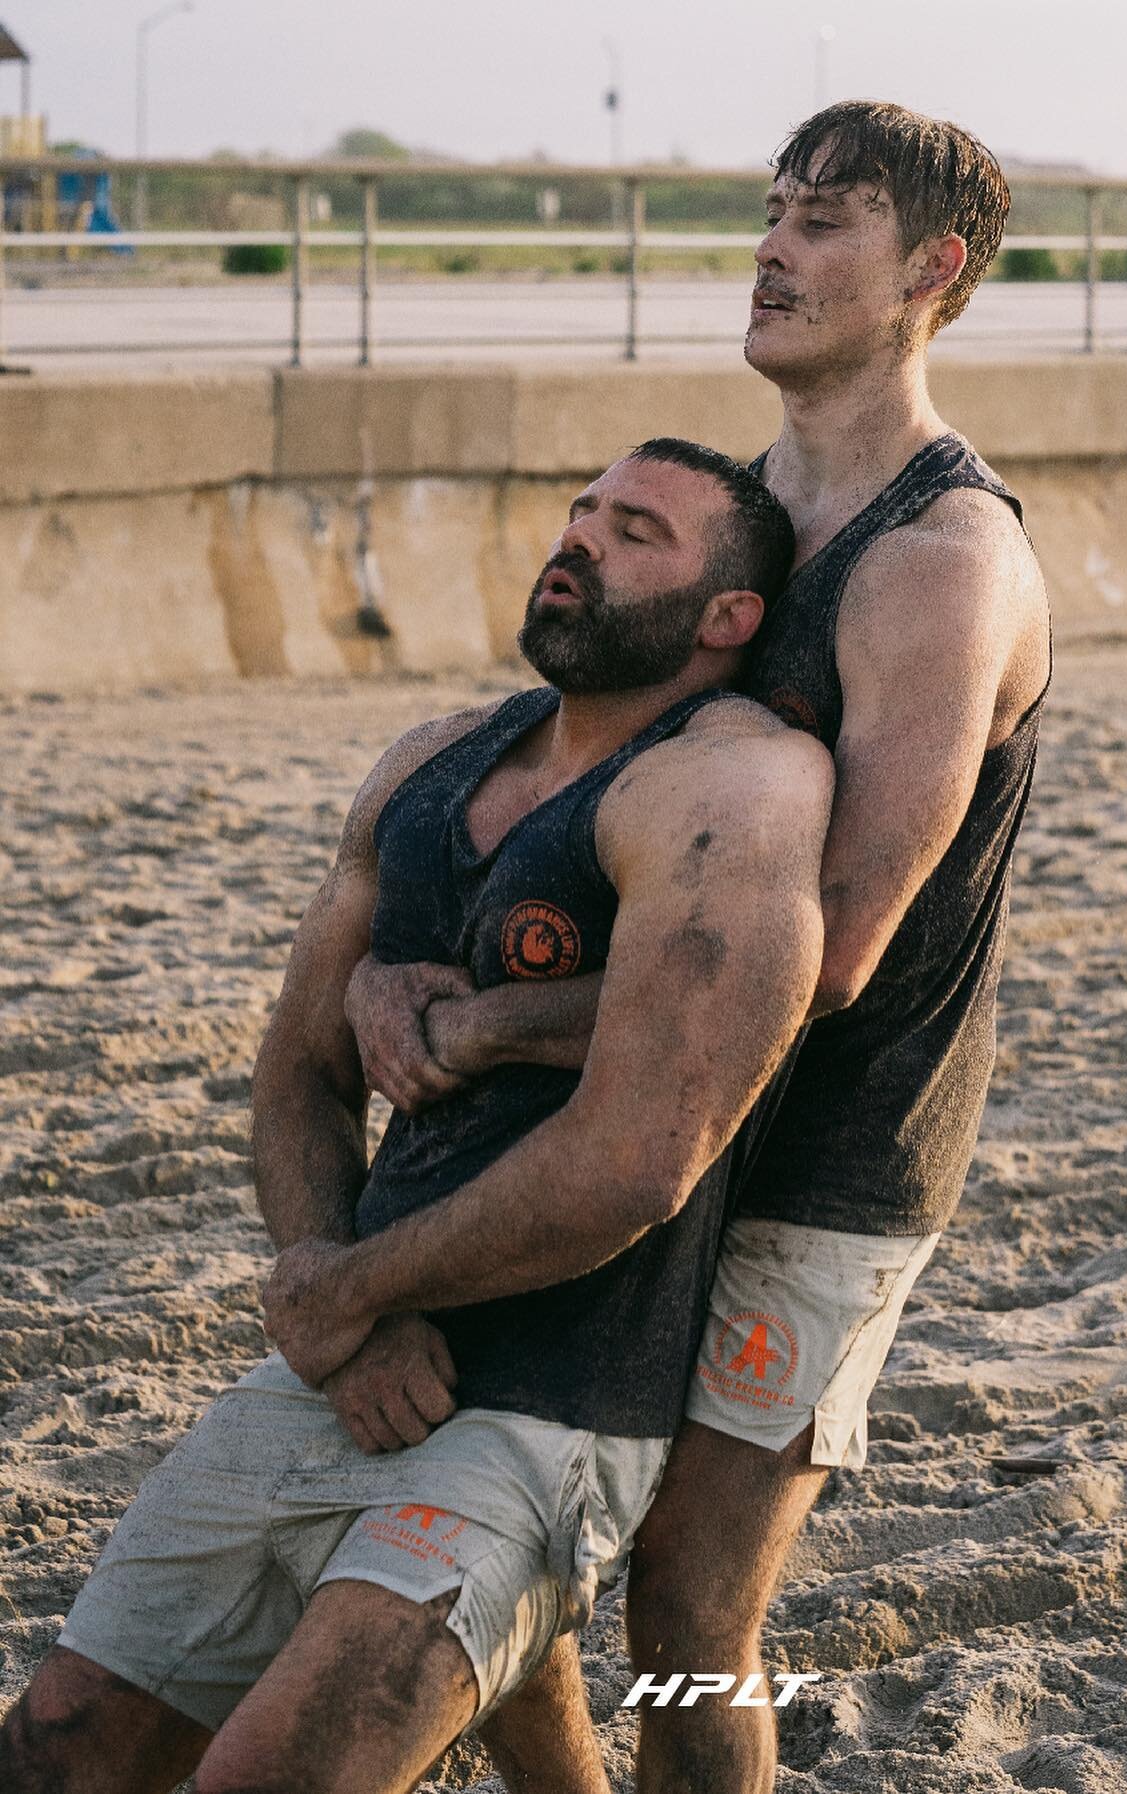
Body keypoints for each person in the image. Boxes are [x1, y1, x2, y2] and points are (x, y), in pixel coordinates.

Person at [352, 100, 1054, 1794]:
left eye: (825, 223)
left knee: (691, 1609)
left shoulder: (939, 563)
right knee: (529, 1538)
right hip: (634, 1112)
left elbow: (837, 955)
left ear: (930, 270)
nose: (771, 250)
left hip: (827, 1150)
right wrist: (393, 958)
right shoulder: (727, 520)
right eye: (770, 214)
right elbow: (566, 769)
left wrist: (496, 1029)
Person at [0, 439, 834, 1794]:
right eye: (580, 513)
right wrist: (354, 1321)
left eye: (637, 533)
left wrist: (345, 1287)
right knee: (54, 1755)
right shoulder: (430, 763)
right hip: (347, 1367)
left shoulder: (733, 789)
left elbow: (638, 1159)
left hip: (552, 1409)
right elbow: (299, 1072)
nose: (580, 542)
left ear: (726, 617)